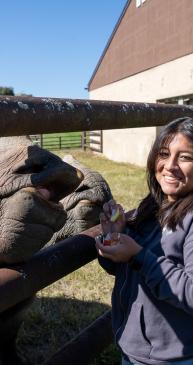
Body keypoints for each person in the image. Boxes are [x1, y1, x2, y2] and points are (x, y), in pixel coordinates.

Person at [82, 116, 193, 365]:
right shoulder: (153, 206)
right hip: (136, 349)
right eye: (164, 153)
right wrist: (116, 236)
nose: (170, 165)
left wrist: (137, 255)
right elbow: (124, 270)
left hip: (173, 357)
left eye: (185, 157)